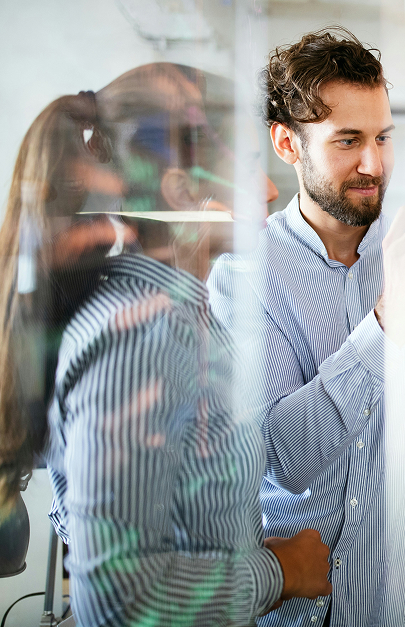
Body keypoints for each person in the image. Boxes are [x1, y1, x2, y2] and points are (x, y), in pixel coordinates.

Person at [0, 64, 333, 626]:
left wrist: (245, 557)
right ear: (183, 191)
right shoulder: (142, 336)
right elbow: (119, 599)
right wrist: (281, 572)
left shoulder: (180, 320)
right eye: (250, 167)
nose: (271, 189)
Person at [206, 28, 405, 627]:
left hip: (389, 607)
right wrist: (388, 320)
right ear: (287, 143)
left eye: (383, 138)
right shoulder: (242, 275)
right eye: (348, 140)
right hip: (283, 609)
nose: (373, 164)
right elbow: (285, 457)